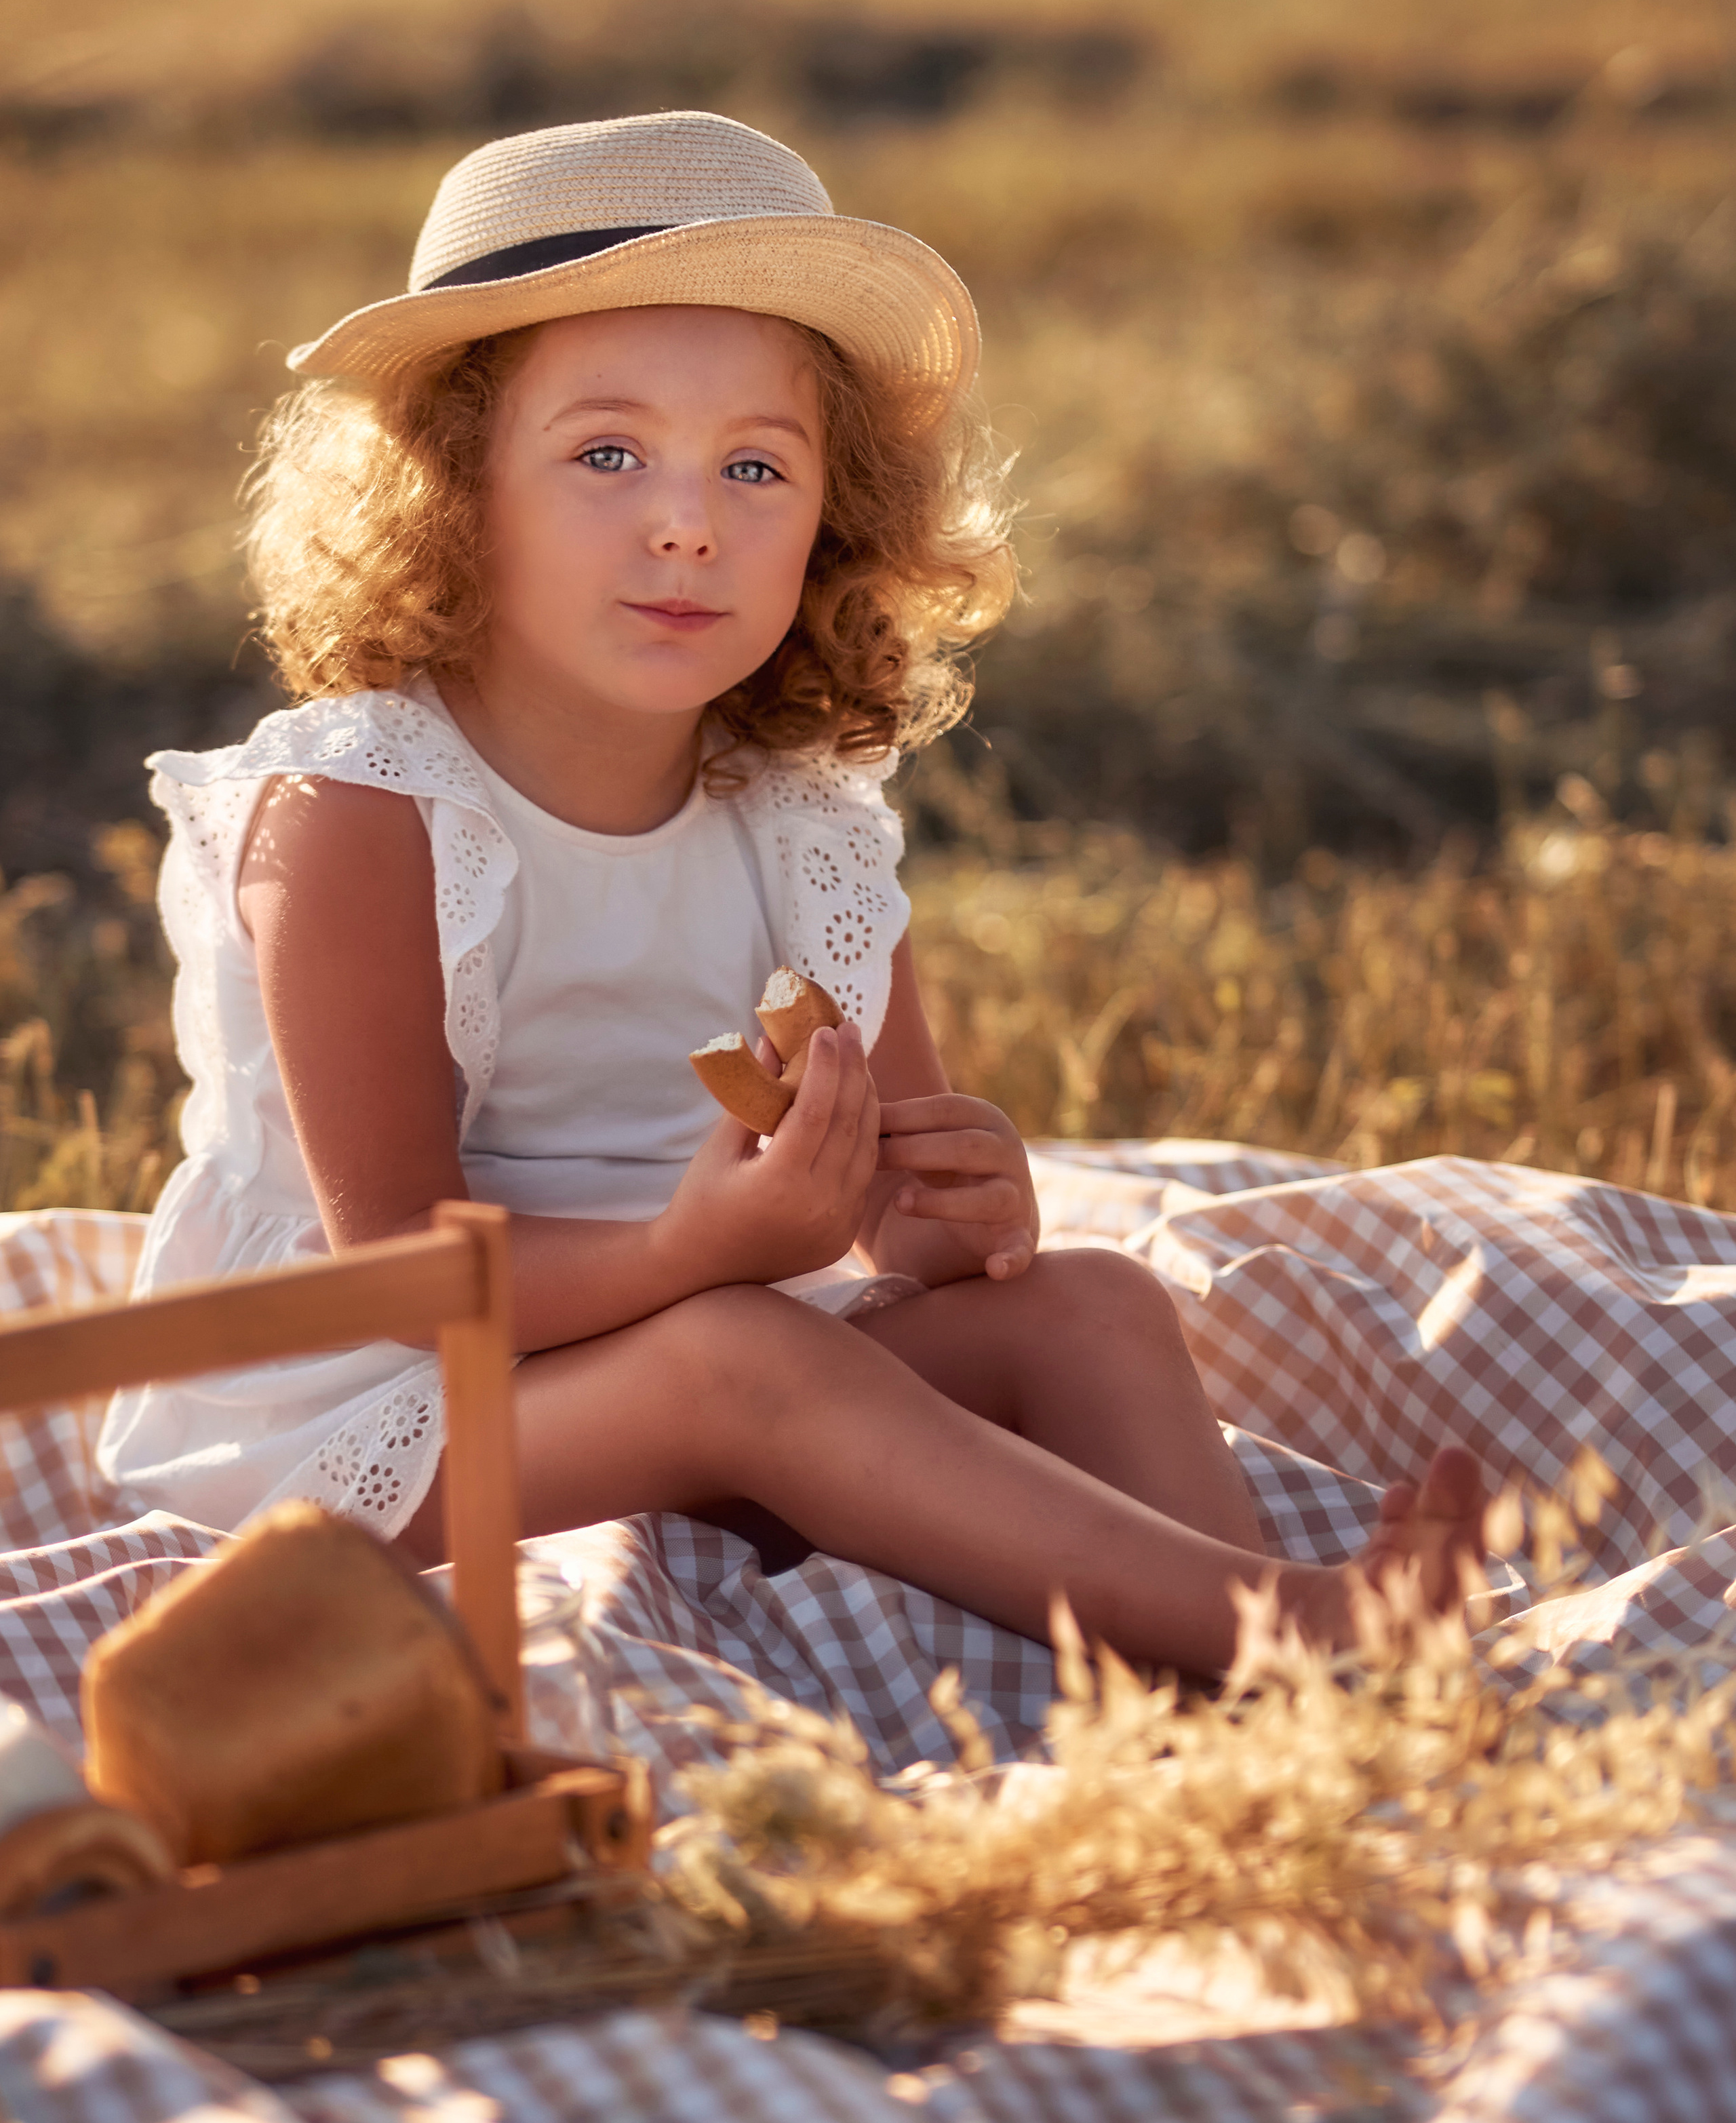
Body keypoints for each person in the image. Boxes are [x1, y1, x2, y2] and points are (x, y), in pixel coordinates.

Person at [98, 111, 1484, 1680]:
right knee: (737, 1353)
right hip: (350, 1416)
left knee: (1092, 1303)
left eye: (754, 464)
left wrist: (951, 1216)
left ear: (836, 520)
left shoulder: (799, 823)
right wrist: (696, 1253)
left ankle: (1251, 1693)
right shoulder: (360, 810)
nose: (687, 519)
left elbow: (894, 1211)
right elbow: (403, 1272)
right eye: (606, 452)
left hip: (671, 1345)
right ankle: (1290, 1635)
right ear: (451, 489)